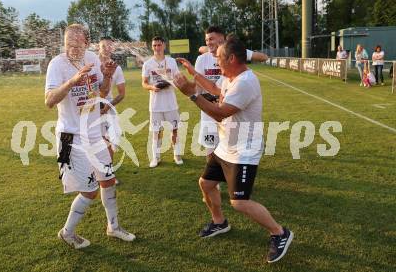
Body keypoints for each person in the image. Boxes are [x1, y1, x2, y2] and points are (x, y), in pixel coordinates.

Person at [174, 35, 293, 263]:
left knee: (239, 202)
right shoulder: (230, 76)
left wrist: (191, 93)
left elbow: (219, 112)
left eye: (218, 58)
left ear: (230, 58)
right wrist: (194, 74)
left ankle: (279, 233)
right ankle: (220, 223)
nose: (216, 61)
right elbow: (217, 91)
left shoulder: (245, 82)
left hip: (243, 150)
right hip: (226, 146)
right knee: (206, 184)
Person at [45, 24, 135, 249]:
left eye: (77, 45)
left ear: (86, 43)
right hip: (71, 137)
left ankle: (113, 227)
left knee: (108, 181)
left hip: (95, 133)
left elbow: (102, 92)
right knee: (89, 190)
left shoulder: (94, 58)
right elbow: (49, 100)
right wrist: (72, 81)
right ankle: (67, 232)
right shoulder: (57, 64)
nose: (72, 49)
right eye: (68, 44)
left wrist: (106, 77)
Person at [141, 36, 183, 168]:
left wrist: (172, 82)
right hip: (155, 105)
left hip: (170, 103)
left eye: (159, 45)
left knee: (174, 129)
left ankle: (176, 154)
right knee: (156, 131)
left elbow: (178, 78)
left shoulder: (171, 61)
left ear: (164, 46)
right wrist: (152, 88)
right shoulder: (147, 64)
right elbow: (144, 83)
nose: (157, 48)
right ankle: (156, 157)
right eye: (154, 46)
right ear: (152, 47)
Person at [99, 37, 126, 185]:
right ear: (98, 47)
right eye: (104, 46)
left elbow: (122, 93)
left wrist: (109, 105)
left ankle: (108, 173)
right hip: (89, 109)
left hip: (107, 109)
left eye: (110, 46)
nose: (107, 48)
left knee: (108, 142)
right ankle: (94, 171)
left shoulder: (117, 68)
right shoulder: (91, 64)